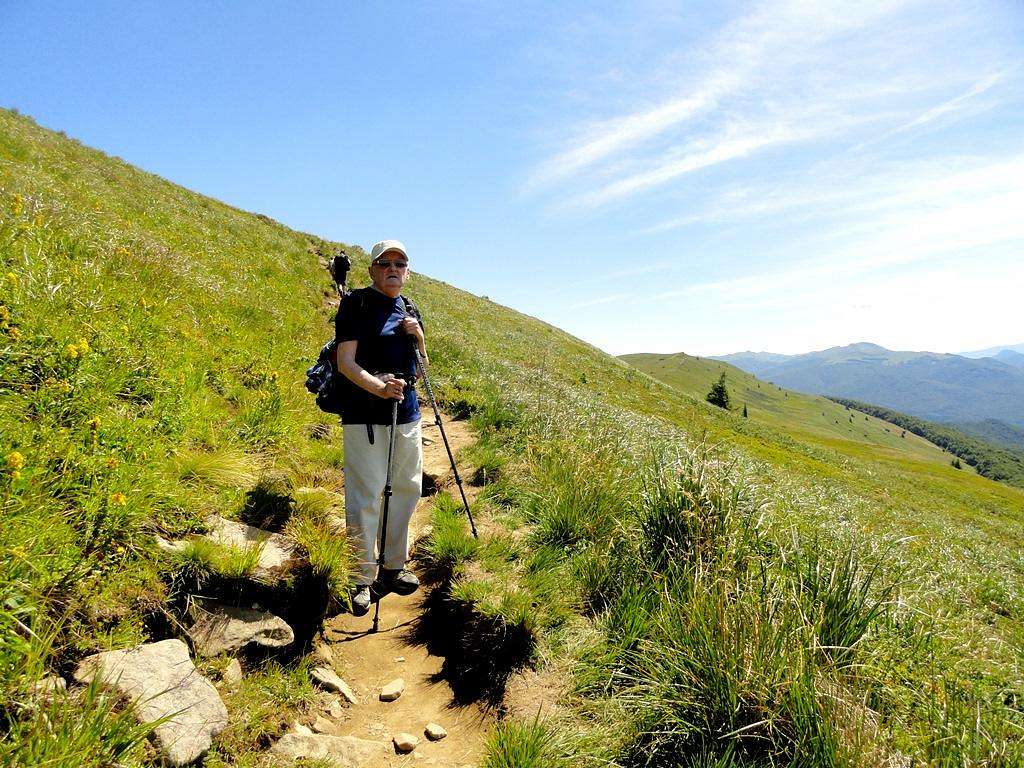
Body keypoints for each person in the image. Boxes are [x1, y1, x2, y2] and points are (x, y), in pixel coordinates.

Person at [335, 239, 426, 616]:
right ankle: (360, 576)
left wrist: (419, 338)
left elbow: (422, 369)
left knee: (406, 487)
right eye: (384, 262)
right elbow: (345, 362)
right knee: (367, 493)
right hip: (364, 414)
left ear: (406, 271)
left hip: (406, 412)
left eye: (399, 263)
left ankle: (393, 566)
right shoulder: (355, 303)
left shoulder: (409, 308)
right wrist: (378, 386)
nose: (392, 268)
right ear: (372, 269)